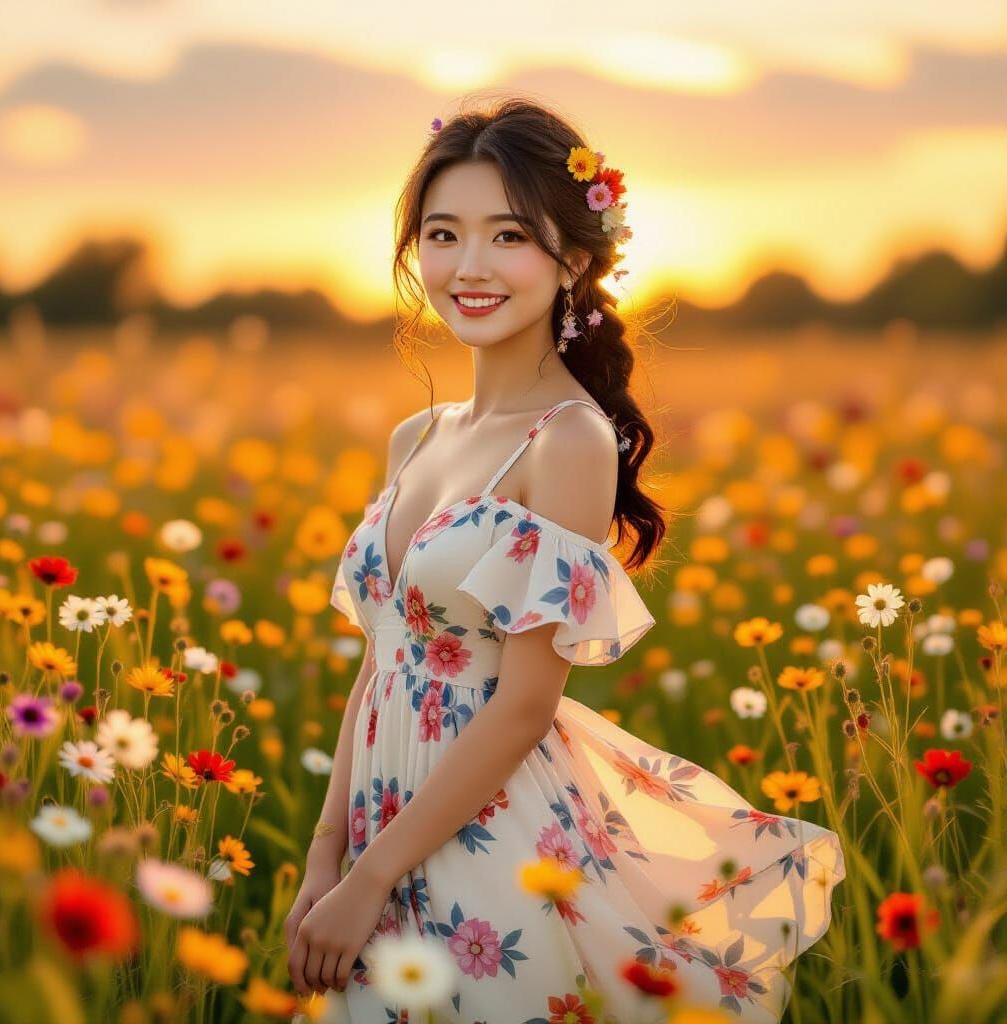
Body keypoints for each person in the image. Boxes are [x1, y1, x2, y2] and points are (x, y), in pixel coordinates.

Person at [285, 97, 845, 1024]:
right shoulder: (414, 437)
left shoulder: (568, 440)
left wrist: (374, 872)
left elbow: (527, 701)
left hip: (487, 831)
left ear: (573, 259)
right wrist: (324, 856)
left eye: (508, 235)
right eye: (442, 234)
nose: (468, 267)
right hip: (377, 827)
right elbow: (382, 662)